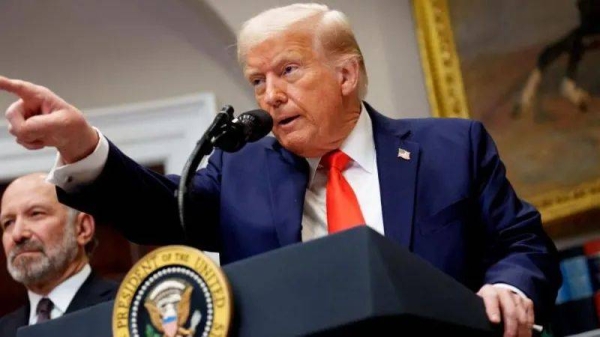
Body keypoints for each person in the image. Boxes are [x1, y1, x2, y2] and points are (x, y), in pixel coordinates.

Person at [0, 3, 560, 337]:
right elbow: (158, 211)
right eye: (257, 81)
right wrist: (81, 144)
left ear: (346, 74)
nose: (270, 95)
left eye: (288, 70)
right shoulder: (240, 170)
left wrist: (509, 285)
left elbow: (523, 243)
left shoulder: (450, 147)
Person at [0, 173, 118, 337]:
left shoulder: (126, 307)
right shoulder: (4, 330)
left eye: (36, 214)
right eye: (8, 223)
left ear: (82, 228)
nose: (17, 234)